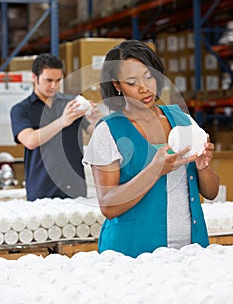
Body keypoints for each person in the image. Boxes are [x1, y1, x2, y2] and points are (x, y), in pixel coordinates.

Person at [83, 40, 220, 258]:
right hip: (132, 255)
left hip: (190, 253)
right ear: (117, 85)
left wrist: (203, 168)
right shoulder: (109, 131)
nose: (144, 87)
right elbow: (108, 206)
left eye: (148, 76)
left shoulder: (183, 120)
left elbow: (211, 193)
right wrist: (154, 170)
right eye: (131, 82)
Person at [10, 53, 96, 201]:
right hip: (41, 189)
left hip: (74, 188)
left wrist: (98, 119)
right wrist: (62, 121)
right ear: (34, 77)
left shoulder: (72, 103)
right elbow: (30, 141)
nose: (54, 86)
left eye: (58, 80)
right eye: (48, 80)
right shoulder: (21, 110)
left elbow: (93, 132)